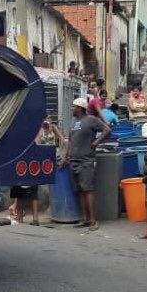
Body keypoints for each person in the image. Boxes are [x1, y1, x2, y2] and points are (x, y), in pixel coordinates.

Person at [62, 98, 110, 231]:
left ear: (80, 108)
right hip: (74, 160)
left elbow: (106, 129)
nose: (72, 109)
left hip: (86, 160)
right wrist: (66, 157)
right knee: (80, 190)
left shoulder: (91, 120)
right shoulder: (75, 123)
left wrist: (96, 142)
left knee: (87, 189)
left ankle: (93, 220)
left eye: (74, 106)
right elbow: (70, 142)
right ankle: (85, 219)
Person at [25, 118, 66, 226]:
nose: (47, 122)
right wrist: (41, 129)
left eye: (49, 120)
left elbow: (62, 139)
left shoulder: (53, 128)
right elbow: (37, 143)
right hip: (41, 159)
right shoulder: (39, 130)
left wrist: (60, 150)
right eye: (45, 121)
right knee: (36, 186)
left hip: (52, 156)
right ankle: (36, 217)